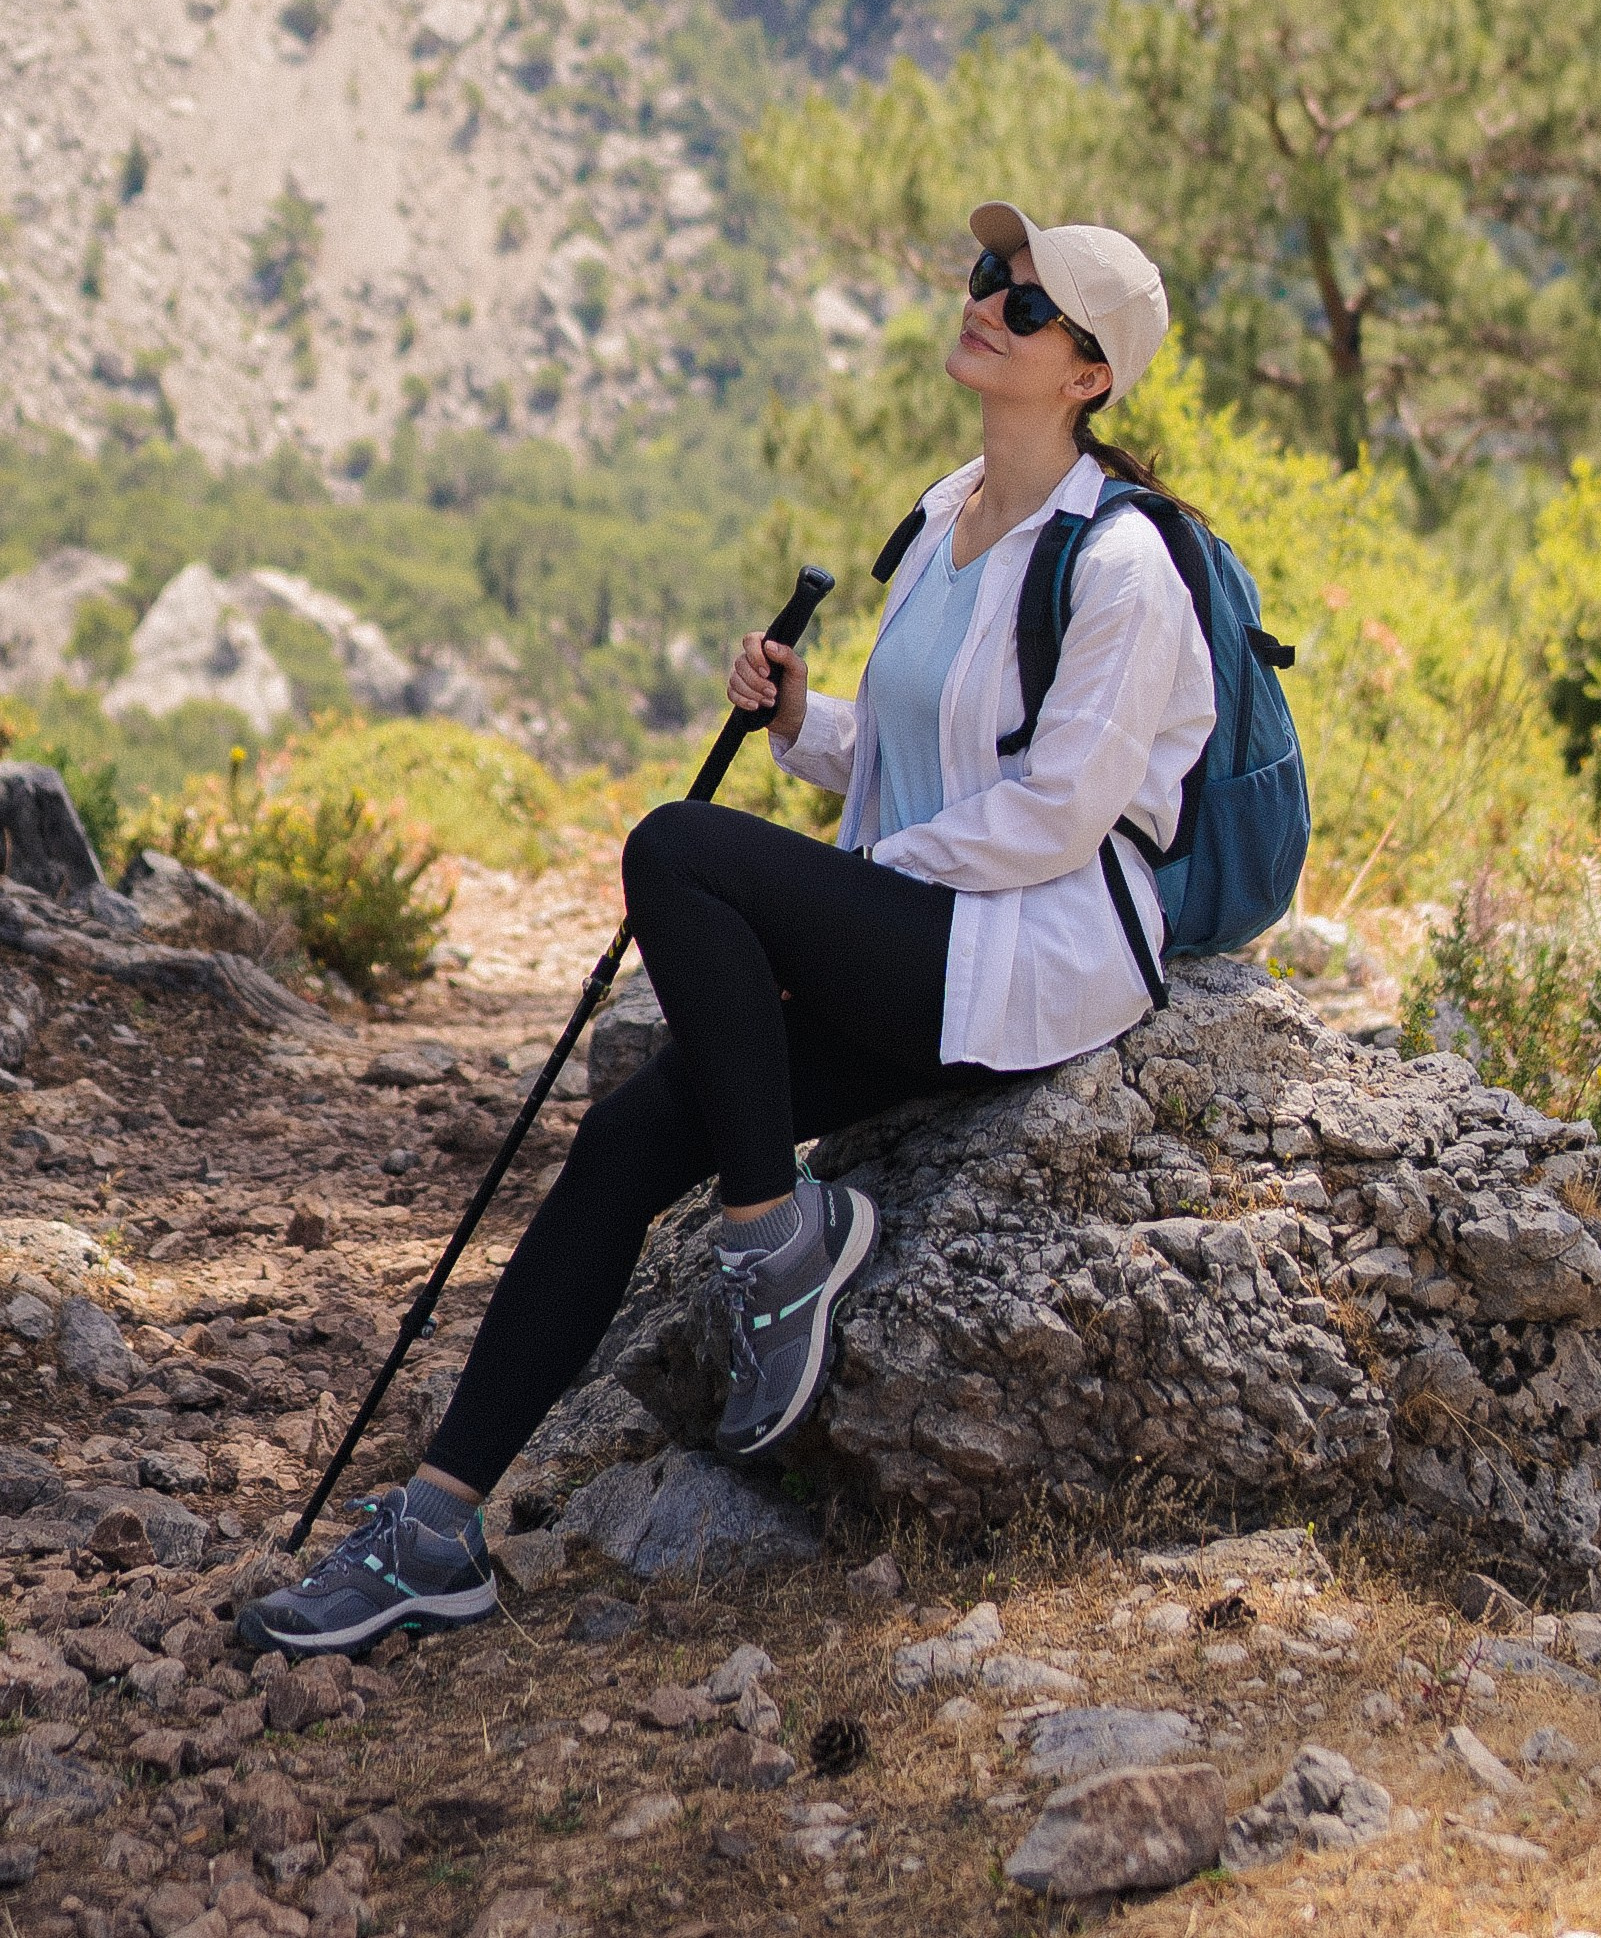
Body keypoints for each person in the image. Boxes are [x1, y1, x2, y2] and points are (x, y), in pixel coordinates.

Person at [237, 202, 1213, 1659]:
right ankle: (434, 1530)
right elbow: (923, 760)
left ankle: (774, 1240)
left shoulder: (1125, 568)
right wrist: (807, 726)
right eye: (987, 276)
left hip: (1030, 967)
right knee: (627, 1139)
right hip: (929, 940)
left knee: (679, 850)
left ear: (1090, 373)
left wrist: (836, 904)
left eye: (1027, 305)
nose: (986, 303)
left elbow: (1060, 814)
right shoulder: (949, 515)